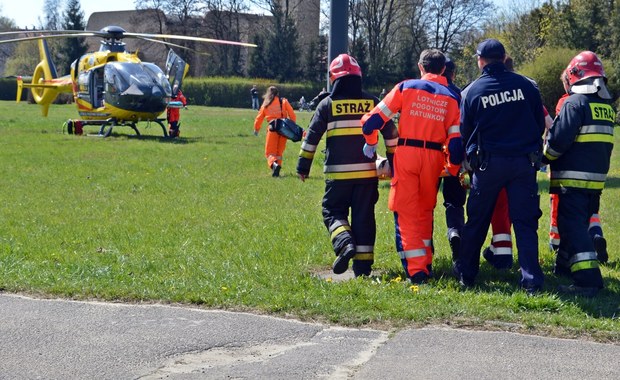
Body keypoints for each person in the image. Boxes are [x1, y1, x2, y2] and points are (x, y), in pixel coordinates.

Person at [361, 49, 462, 284]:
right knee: (425, 209)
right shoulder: (451, 97)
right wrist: (453, 168)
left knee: (406, 211)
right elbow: (455, 145)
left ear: (420, 67)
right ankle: (426, 262)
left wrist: (370, 143)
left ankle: (417, 272)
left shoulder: (406, 88)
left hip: (407, 154)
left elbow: (372, 122)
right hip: (434, 158)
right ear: (444, 69)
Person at [454, 39, 546, 294]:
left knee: (477, 220)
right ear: (504, 58)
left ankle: (467, 274)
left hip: (488, 164)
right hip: (522, 163)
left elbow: (466, 132)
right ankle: (531, 282)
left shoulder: (473, 91)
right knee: (525, 223)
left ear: (480, 60)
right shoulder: (526, 86)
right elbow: (539, 124)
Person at [296, 54, 398, 277]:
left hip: (338, 176)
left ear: (334, 79)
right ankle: (362, 268)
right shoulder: (372, 102)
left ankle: (344, 242)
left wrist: (303, 166)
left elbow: (312, 137)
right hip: (366, 176)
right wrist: (393, 160)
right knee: (364, 217)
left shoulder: (327, 105)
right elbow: (391, 132)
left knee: (332, 210)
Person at [543, 51, 614, 297]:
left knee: (572, 227)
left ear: (576, 75)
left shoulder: (574, 103)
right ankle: (563, 267)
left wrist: (543, 157)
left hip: (573, 180)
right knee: (578, 223)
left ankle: (587, 280)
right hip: (595, 181)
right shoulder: (605, 106)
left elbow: (558, 142)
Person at [547, 72, 608, 264]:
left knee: (563, 212)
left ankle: (557, 244)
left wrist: (545, 157)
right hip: (595, 173)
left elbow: (559, 135)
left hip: (570, 172)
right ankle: (596, 235)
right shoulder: (602, 105)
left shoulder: (568, 102)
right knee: (591, 212)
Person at [438, 58, 467, 263]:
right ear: (453, 74)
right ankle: (455, 230)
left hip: (429, 154)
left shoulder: (424, 89)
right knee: (454, 201)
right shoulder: (460, 94)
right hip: (454, 153)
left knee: (424, 204)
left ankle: (425, 251)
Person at [253, 86, 297, 177]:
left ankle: (274, 165)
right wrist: (292, 126)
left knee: (270, 152)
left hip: (272, 129)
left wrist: (256, 129)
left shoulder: (266, 104)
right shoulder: (283, 101)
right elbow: (292, 114)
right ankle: (277, 170)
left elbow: (259, 118)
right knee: (279, 152)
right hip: (283, 129)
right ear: (278, 93)